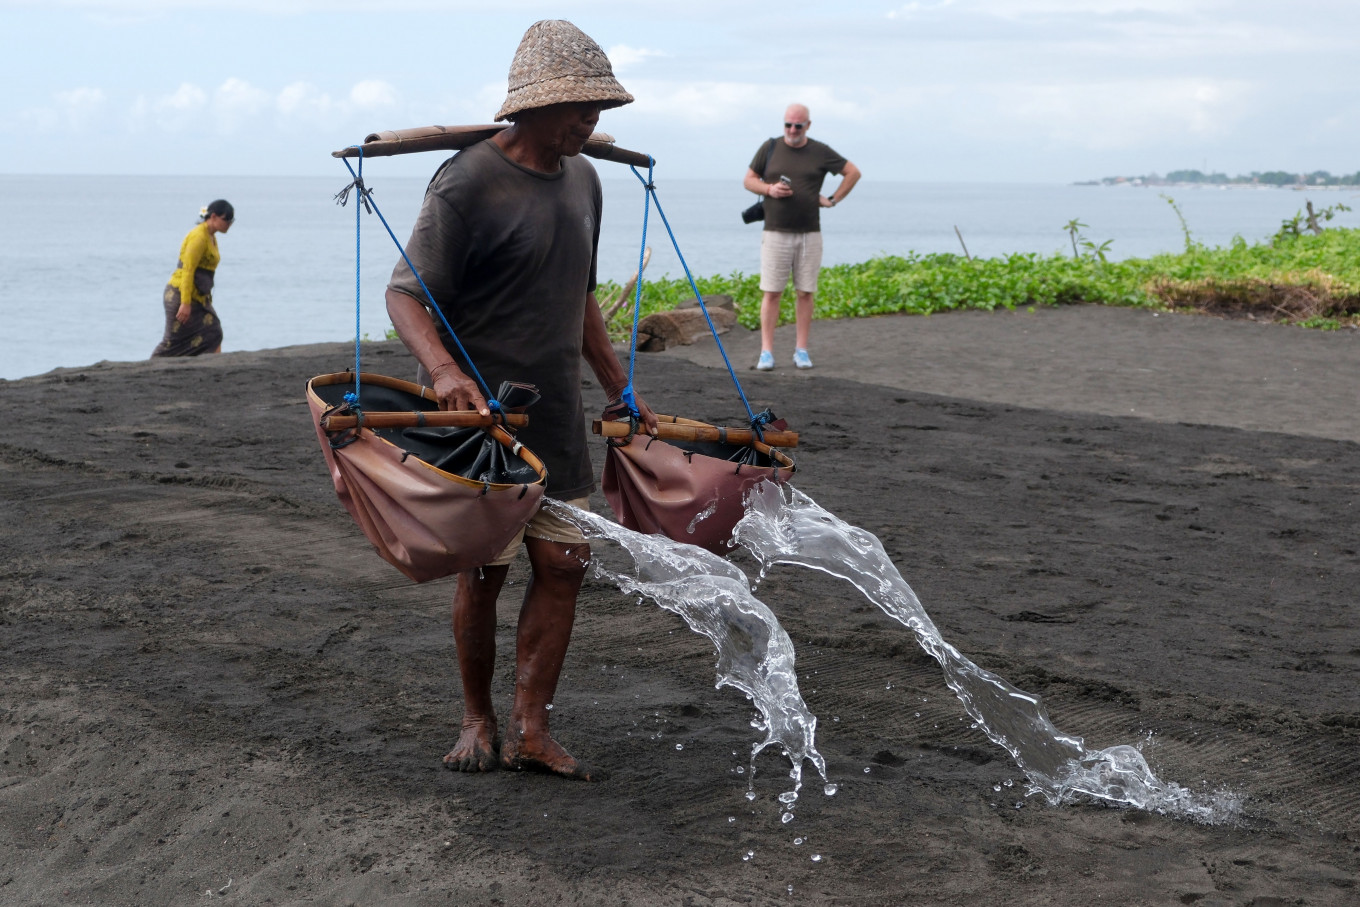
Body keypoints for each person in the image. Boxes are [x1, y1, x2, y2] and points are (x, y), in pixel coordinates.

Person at [384, 19, 657, 781]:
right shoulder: (468, 181)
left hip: (558, 421)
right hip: (481, 425)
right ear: (536, 105)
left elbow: (583, 299)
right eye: (580, 108)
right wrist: (443, 371)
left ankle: (533, 727)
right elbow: (405, 295)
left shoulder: (587, 179)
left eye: (599, 110)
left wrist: (616, 384)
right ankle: (477, 720)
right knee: (485, 572)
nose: (591, 123)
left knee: (565, 565)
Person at [743, 104, 861, 370]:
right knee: (771, 292)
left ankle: (802, 350)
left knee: (805, 292)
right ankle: (766, 352)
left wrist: (832, 199)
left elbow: (853, 172)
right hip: (775, 232)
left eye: (798, 125)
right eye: (788, 124)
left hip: (809, 233)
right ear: (783, 124)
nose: (792, 130)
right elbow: (749, 180)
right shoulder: (770, 147)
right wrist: (769, 189)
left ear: (808, 125)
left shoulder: (820, 151)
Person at [151, 199, 233, 358]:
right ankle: (148, 368)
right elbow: (188, 271)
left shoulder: (210, 236)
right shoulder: (199, 237)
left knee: (213, 332)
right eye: (226, 220)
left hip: (198, 297)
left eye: (231, 221)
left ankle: (212, 367)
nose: (229, 224)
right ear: (214, 216)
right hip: (180, 294)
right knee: (171, 342)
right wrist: (185, 303)